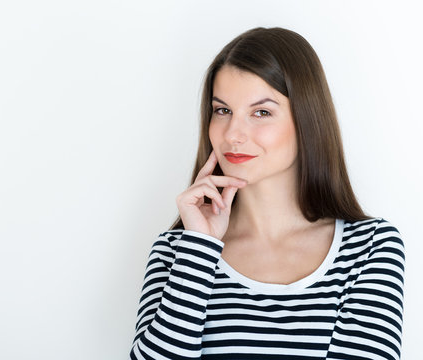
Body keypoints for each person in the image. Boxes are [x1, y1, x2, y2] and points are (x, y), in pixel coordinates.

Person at [129, 27, 405, 359]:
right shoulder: (176, 251)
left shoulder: (371, 247)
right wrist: (200, 247)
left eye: (261, 112)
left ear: (306, 120)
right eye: (222, 110)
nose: (233, 134)